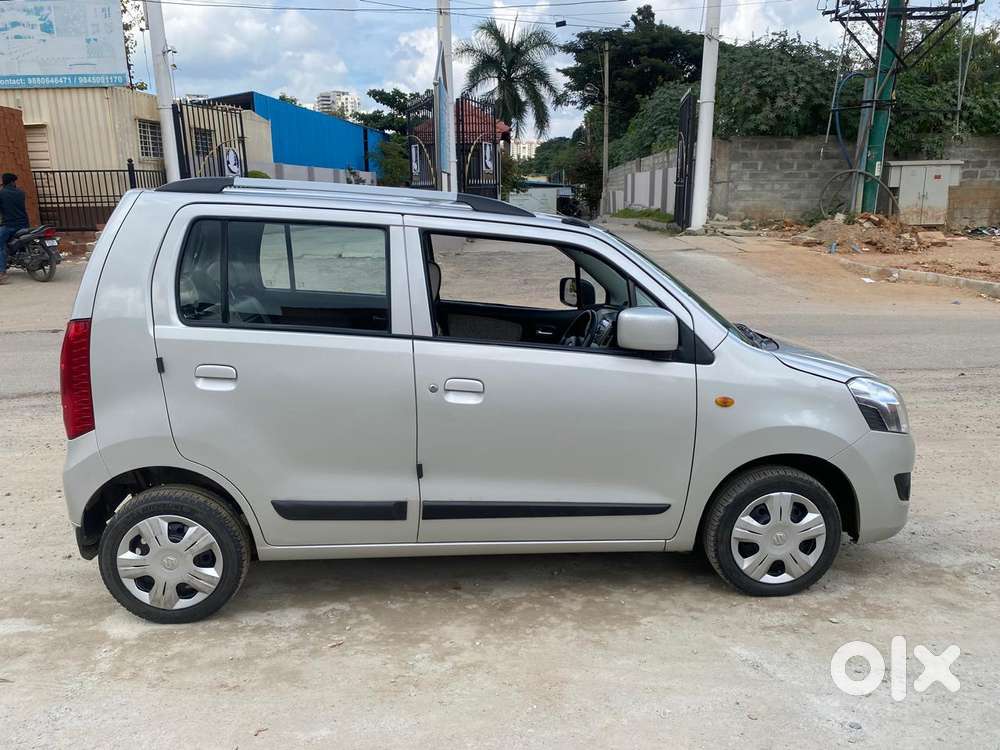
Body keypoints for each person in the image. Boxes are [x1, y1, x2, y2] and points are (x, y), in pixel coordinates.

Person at [0, 172, 30, 284]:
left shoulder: (2, 193)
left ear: (4, 182)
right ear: (13, 182)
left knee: (0, 245)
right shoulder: (21, 193)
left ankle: (1, 273)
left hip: (9, 226)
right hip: (23, 225)